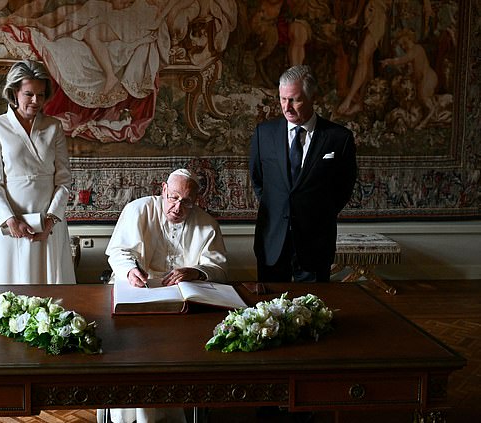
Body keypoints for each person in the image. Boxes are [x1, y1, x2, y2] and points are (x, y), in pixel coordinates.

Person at [99, 168, 227, 423]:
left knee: (177, 348)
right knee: (135, 346)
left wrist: (195, 271)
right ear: (163, 190)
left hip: (181, 302)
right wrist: (129, 270)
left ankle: (176, 413)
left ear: (196, 202)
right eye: (173, 197)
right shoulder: (138, 210)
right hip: (137, 291)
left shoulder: (207, 224)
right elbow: (118, 252)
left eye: (186, 202)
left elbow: (219, 269)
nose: (178, 207)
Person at [249, 65, 357, 283]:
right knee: (268, 311)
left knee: (312, 310)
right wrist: (282, 207)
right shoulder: (264, 134)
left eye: (294, 100)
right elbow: (258, 180)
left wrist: (315, 211)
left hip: (315, 241)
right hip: (272, 239)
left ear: (312, 97)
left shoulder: (339, 138)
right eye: (282, 99)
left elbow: (343, 188)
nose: (286, 107)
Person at [0, 59, 76, 284]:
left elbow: (64, 180)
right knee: (12, 289)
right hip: (11, 220)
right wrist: (11, 221)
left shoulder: (54, 127)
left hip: (48, 220)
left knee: (52, 290)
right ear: (14, 92)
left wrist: (51, 221)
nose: (36, 101)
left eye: (41, 95)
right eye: (29, 94)